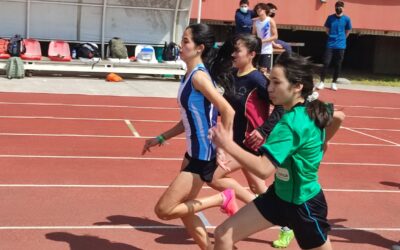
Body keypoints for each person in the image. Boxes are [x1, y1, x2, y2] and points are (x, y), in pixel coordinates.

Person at [210, 52, 344, 250]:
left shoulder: (290, 124)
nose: (269, 88)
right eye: (269, 82)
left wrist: (228, 145)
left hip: (303, 203)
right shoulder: (310, 108)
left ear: (297, 87)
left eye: (276, 83)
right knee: (223, 235)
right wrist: (322, 144)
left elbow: (263, 169)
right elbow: (340, 116)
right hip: (278, 197)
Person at [142, 23, 237, 250]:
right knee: (185, 207)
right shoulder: (189, 75)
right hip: (193, 153)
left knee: (164, 210)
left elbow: (228, 111)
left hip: (202, 156)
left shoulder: (199, 78)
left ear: (199, 48)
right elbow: (189, 119)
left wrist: (222, 148)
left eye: (186, 41)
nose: (181, 45)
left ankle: (222, 199)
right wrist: (162, 137)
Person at [208, 33, 295, 248]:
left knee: (213, 176)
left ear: (252, 54)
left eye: (238, 51)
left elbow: (282, 107)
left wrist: (264, 130)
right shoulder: (232, 74)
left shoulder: (257, 79)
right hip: (235, 140)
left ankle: (238, 203)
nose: (234, 54)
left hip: (250, 143)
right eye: (233, 50)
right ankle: (286, 221)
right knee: (258, 187)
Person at [316, 1, 352, 91]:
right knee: (326, 63)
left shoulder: (347, 19)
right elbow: (327, 30)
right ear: (335, 7)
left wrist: (342, 38)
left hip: (341, 46)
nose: (338, 8)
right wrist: (332, 36)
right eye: (337, 6)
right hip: (330, 44)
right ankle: (321, 82)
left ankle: (334, 83)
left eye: (340, 7)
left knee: (338, 64)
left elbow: (348, 31)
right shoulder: (330, 18)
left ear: (343, 8)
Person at [252, 3, 278, 75]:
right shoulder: (255, 22)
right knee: (255, 70)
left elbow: (275, 36)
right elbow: (253, 34)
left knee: (264, 71)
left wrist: (263, 41)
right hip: (257, 50)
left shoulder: (270, 21)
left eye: (260, 8)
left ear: (265, 10)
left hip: (266, 50)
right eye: (257, 9)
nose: (258, 10)